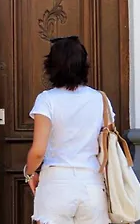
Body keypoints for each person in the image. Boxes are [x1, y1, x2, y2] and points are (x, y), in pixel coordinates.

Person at [24, 36, 114, 224]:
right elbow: (108, 145)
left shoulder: (47, 99)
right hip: (92, 183)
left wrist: (30, 173)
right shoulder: (100, 100)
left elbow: (38, 151)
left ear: (52, 65)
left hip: (56, 184)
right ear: (83, 64)